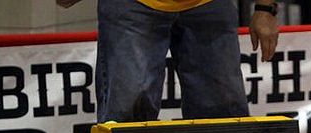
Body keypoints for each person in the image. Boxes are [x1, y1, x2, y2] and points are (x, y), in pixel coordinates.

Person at [57, 0, 279, 122]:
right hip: (132, 5)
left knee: (223, 112)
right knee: (128, 109)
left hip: (208, 5)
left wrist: (265, 8)